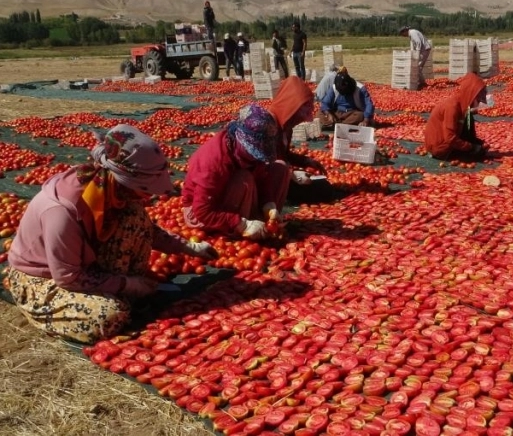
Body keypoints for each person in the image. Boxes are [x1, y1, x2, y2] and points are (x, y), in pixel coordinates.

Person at [5, 125, 218, 344]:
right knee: (108, 315)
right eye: (144, 190)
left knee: (134, 214)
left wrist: (189, 247)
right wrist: (129, 284)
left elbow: (146, 229)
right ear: (125, 181)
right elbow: (68, 277)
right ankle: (43, 310)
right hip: (44, 278)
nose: (147, 197)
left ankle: (120, 291)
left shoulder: (112, 190)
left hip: (82, 267)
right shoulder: (62, 211)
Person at [181, 77, 330, 239]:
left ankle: (263, 225)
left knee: (279, 168)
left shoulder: (249, 151)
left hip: (229, 198)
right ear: (242, 143)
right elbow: (202, 211)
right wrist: (241, 224)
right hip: (201, 214)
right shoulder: (214, 160)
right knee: (244, 179)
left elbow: (262, 174)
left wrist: (269, 205)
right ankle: (240, 228)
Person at [424, 73, 488, 161]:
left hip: (447, 141)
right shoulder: (452, 107)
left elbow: (463, 128)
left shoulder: (463, 104)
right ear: (470, 94)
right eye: (478, 98)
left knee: (469, 116)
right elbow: (450, 138)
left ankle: (471, 146)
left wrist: (476, 143)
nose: (479, 102)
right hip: (440, 148)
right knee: (476, 155)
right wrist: (470, 147)